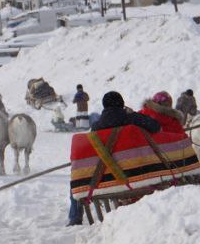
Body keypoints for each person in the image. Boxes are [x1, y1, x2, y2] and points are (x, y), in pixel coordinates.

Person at [67, 91, 161, 226]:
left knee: (74, 182)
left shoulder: (96, 127)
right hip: (136, 172)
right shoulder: (133, 119)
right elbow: (156, 127)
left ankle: (75, 217)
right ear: (122, 104)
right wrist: (132, 114)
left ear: (104, 107)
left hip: (104, 178)